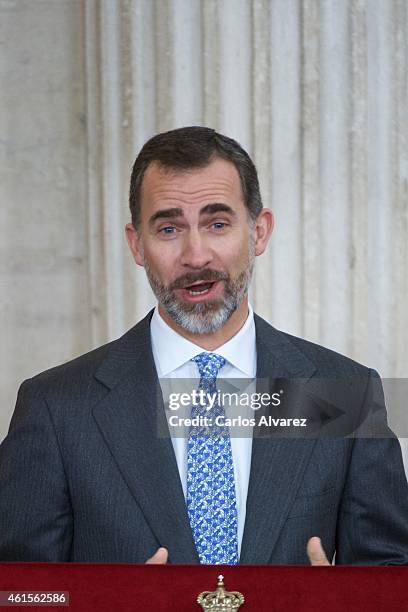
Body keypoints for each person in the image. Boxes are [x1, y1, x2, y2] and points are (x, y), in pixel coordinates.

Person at [0, 126, 407, 565]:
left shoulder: (344, 393)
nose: (196, 255)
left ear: (259, 232)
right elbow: (22, 593)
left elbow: (390, 574)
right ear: (137, 244)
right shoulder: (54, 407)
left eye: (217, 223)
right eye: (169, 227)